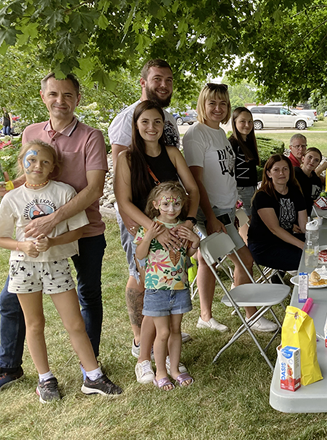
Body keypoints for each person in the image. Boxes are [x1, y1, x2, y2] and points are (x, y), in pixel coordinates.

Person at [0, 73, 108, 394]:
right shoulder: (31, 132)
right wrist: (7, 189)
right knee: (10, 300)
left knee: (87, 296)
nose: (61, 100)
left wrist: (51, 220)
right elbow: (28, 174)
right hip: (32, 246)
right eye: (54, 94)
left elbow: (94, 188)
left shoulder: (90, 137)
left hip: (84, 231)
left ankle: (91, 369)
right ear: (43, 96)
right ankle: (10, 367)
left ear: (77, 99)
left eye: (68, 95)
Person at [108, 59, 189, 354]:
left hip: (167, 216)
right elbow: (122, 178)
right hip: (138, 217)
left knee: (164, 270)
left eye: (169, 79)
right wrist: (140, 225)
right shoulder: (127, 117)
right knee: (140, 273)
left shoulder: (167, 120)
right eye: (157, 79)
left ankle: (160, 327)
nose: (164, 85)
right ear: (143, 82)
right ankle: (139, 337)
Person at [114, 100, 200, 377]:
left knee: (166, 291)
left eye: (157, 122)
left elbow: (192, 190)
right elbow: (124, 201)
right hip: (146, 233)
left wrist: (188, 222)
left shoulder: (172, 153)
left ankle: (163, 360)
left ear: (164, 126)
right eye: (145, 122)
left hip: (174, 231)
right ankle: (143, 358)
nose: (152, 127)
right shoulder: (126, 158)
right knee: (150, 294)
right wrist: (155, 229)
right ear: (136, 125)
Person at [183, 84, 277, 333]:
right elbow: (196, 182)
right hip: (210, 211)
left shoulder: (220, 134)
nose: (218, 108)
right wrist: (212, 217)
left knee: (207, 261)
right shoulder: (196, 134)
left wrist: (233, 208)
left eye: (223, 103)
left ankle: (205, 315)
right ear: (202, 104)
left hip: (225, 209)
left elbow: (225, 176)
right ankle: (250, 314)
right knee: (245, 259)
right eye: (212, 102)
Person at [134, 182, 197, 389]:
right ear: (156, 205)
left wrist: (195, 241)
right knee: (162, 333)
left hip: (179, 287)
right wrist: (150, 235)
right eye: (166, 204)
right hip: (157, 288)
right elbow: (140, 255)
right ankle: (160, 371)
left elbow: (185, 255)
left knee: (176, 330)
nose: (172, 209)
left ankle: (175, 368)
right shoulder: (150, 226)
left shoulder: (182, 227)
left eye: (177, 204)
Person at [248, 154, 307, 271]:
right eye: (276, 170)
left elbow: (304, 226)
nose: (281, 173)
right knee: (308, 260)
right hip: (265, 247)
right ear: (269, 173)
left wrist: (313, 240)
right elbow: (275, 229)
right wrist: (303, 246)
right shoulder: (263, 196)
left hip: (286, 240)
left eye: (285, 169)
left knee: (321, 251)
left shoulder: (295, 192)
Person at [228, 106, 260, 220]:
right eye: (242, 121)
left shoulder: (249, 141)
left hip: (251, 189)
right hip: (240, 192)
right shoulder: (231, 144)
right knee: (246, 222)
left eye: (250, 121)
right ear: (234, 122)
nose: (247, 125)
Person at [294, 147, 324, 216]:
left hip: (307, 216)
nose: (312, 161)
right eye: (309, 157)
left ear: (318, 164)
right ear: (303, 158)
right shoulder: (293, 174)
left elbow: (314, 199)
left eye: (316, 160)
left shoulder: (316, 181)